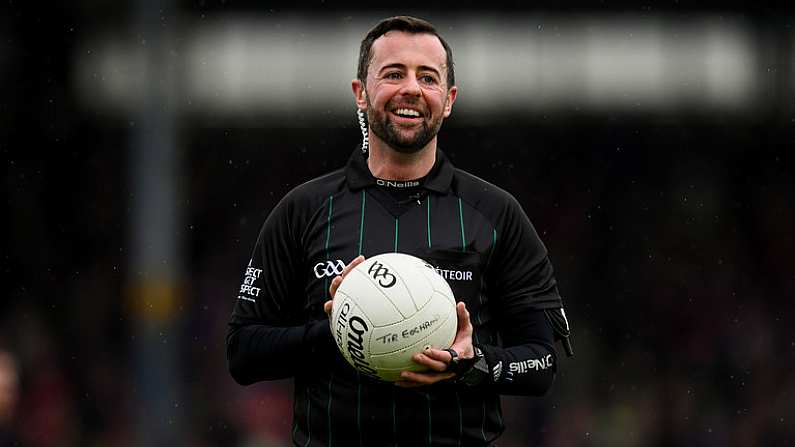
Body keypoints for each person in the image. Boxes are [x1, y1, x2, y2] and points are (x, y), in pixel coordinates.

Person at [227, 15, 573, 446]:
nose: (411, 88)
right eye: (393, 74)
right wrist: (335, 335)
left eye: (427, 78)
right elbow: (243, 353)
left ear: (447, 100)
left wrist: (473, 363)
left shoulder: (496, 213)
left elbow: (541, 364)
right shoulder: (302, 210)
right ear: (361, 92)